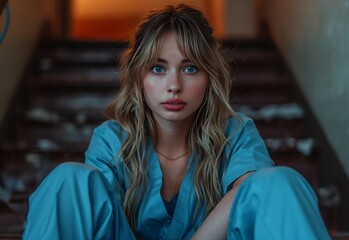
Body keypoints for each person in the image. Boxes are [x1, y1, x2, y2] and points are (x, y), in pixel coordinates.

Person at [23, 4, 331, 240]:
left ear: (209, 76)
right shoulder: (111, 139)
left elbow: (254, 192)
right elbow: (96, 215)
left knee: (279, 182)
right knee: (69, 180)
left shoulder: (235, 133)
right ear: (139, 77)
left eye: (190, 68)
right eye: (158, 69)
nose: (174, 85)